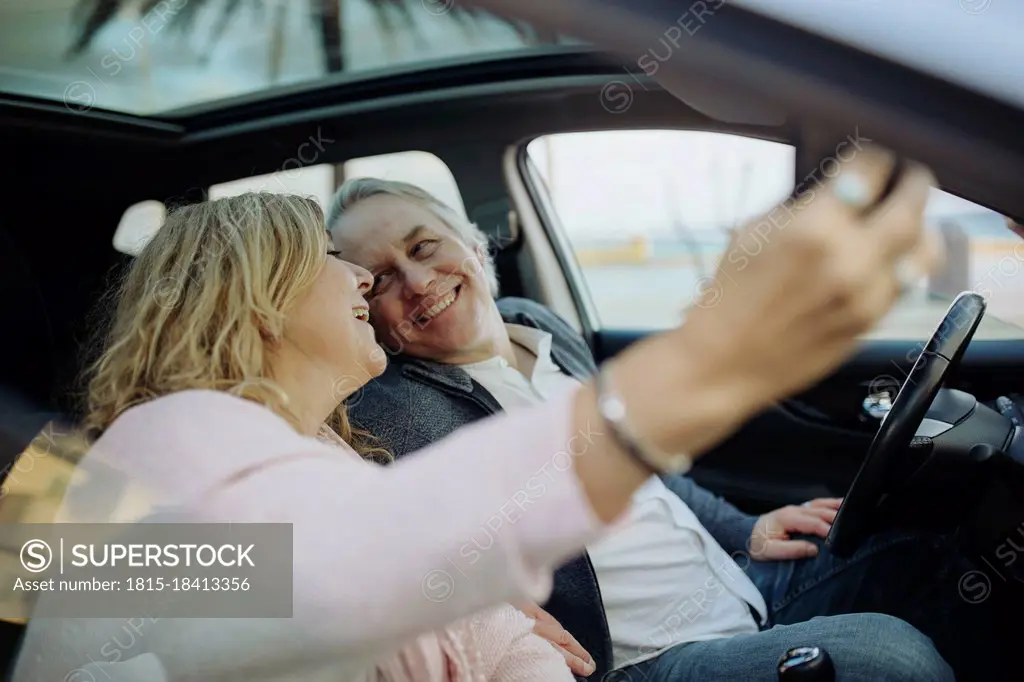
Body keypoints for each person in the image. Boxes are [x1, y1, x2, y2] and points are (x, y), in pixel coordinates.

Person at [13, 147, 942, 682]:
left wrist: (478, 604)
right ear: (255, 303)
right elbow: (331, 572)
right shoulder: (168, 431)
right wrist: (706, 361)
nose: (367, 285)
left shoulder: (295, 447)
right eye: (343, 268)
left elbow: (309, 573)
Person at [326, 164, 992, 680]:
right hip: (644, 658)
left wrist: (745, 527)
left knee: (934, 549)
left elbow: (648, 469)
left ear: (474, 243)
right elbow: (316, 565)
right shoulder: (386, 410)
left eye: (424, 245)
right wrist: (466, 605)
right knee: (891, 662)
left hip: (732, 584)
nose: (416, 281)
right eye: (378, 280)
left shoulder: (538, 326)